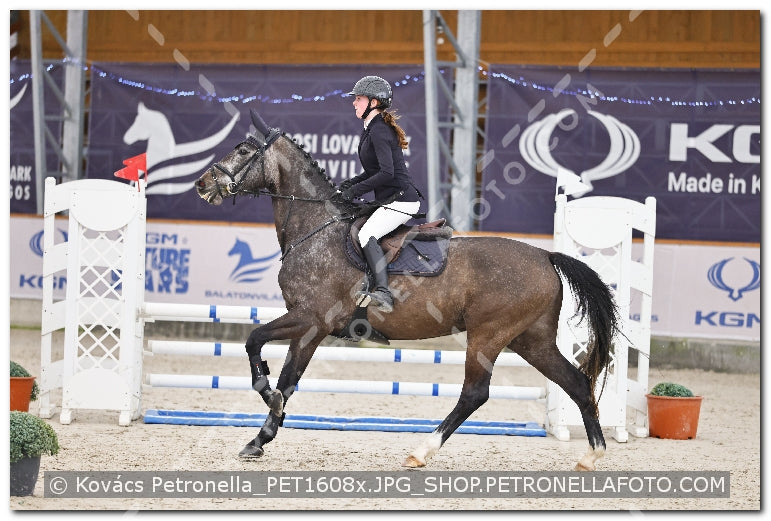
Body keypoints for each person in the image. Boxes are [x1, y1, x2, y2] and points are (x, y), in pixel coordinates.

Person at [338, 75, 421, 313]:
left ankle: (383, 292)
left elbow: (386, 173)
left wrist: (355, 191)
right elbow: (373, 171)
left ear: (373, 103)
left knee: (367, 234)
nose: (354, 102)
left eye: (359, 99)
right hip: (391, 199)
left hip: (402, 201)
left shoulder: (379, 131)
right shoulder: (371, 129)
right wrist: (348, 185)